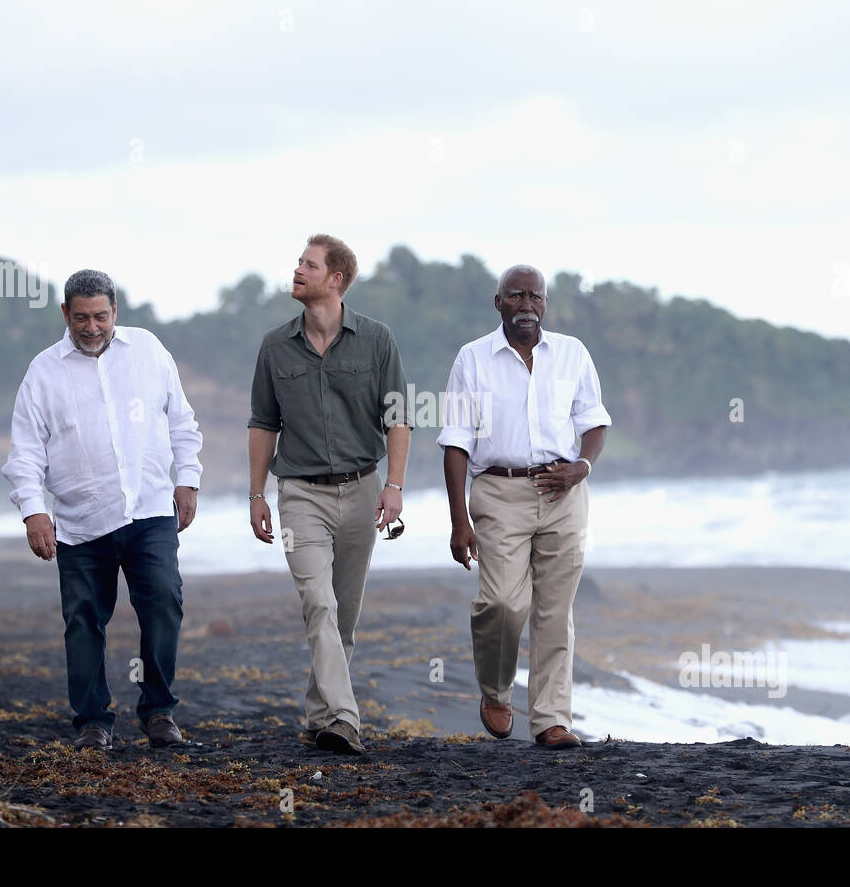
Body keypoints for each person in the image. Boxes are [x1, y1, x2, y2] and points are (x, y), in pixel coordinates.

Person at [1, 269, 202, 750]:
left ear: (116, 311)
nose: (92, 327)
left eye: (101, 316)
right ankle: (93, 720)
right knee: (83, 620)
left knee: (164, 603)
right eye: (82, 318)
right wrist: (34, 512)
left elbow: (181, 421)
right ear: (65, 314)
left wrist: (188, 479)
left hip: (150, 509)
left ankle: (159, 712)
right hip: (79, 521)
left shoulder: (149, 351)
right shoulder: (43, 372)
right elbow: (25, 452)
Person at [247, 234, 410, 755]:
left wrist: (395, 486)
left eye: (308, 265)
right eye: (298, 262)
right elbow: (262, 423)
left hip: (363, 490)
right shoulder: (275, 345)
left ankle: (321, 714)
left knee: (345, 613)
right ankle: (345, 717)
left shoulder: (377, 339)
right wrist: (256, 494)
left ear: (335, 279)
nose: (297, 270)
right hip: (299, 494)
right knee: (317, 602)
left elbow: (398, 418)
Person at [437, 264, 611, 749]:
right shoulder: (472, 360)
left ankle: (551, 719)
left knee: (556, 613)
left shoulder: (573, 354)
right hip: (498, 492)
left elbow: (595, 422)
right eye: (516, 296)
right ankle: (495, 690)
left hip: (564, 492)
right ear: (498, 303)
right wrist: (459, 520)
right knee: (502, 603)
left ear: (545, 304)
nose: (527, 305)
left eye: (536, 297)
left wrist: (583, 466)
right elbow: (455, 443)